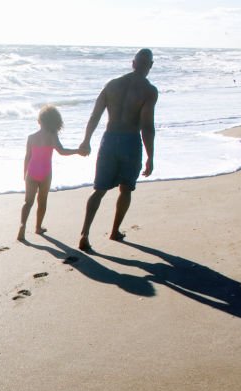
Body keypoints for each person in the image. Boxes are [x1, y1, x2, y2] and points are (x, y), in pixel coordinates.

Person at [77, 49, 158, 252]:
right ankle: (114, 231)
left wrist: (86, 140)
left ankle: (84, 233)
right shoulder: (148, 91)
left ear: (133, 63)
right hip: (130, 141)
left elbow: (95, 115)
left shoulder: (112, 85)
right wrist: (150, 156)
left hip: (109, 140)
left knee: (99, 190)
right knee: (126, 188)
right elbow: (147, 127)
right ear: (150, 66)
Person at [17, 105, 83, 241]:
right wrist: (77, 151)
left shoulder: (31, 137)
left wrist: (25, 173)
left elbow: (27, 157)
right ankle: (38, 227)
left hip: (32, 171)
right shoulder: (52, 136)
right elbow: (62, 151)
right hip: (46, 173)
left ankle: (22, 226)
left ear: (39, 121)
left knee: (28, 202)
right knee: (42, 201)